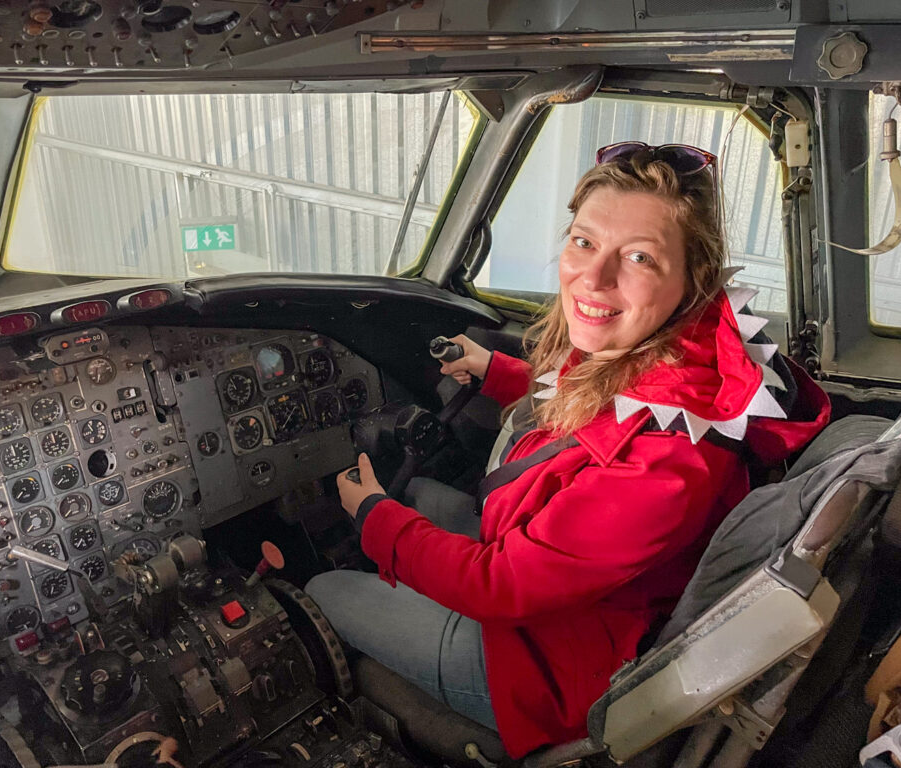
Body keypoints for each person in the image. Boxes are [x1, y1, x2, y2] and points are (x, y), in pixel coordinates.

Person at [306, 142, 831, 758]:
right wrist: (498, 372)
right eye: (584, 241)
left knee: (325, 587)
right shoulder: (672, 353)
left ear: (693, 279)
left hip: (546, 672)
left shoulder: (674, 460)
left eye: (639, 257)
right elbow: (599, 415)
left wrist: (375, 519)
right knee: (417, 492)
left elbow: (499, 585)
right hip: (565, 597)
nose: (593, 277)